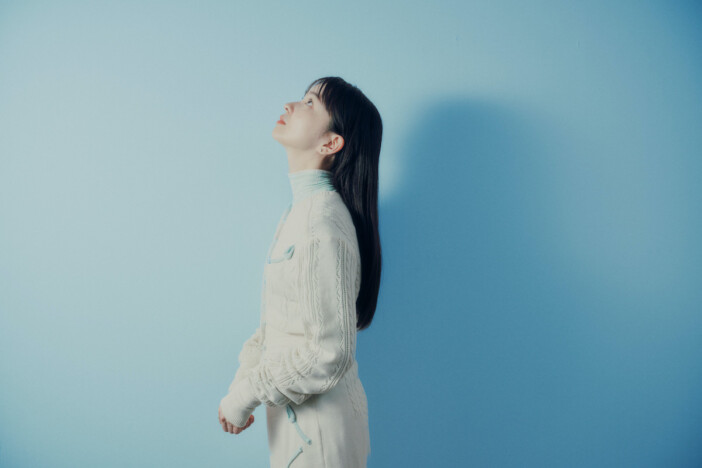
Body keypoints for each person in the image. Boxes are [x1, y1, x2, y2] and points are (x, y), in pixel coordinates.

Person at [218, 76, 383, 467]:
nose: (290, 105)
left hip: (319, 437)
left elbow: (329, 353)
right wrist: (241, 385)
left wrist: (246, 396)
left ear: (330, 143)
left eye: (310, 103)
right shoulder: (299, 213)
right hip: (299, 429)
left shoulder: (321, 222)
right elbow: (278, 326)